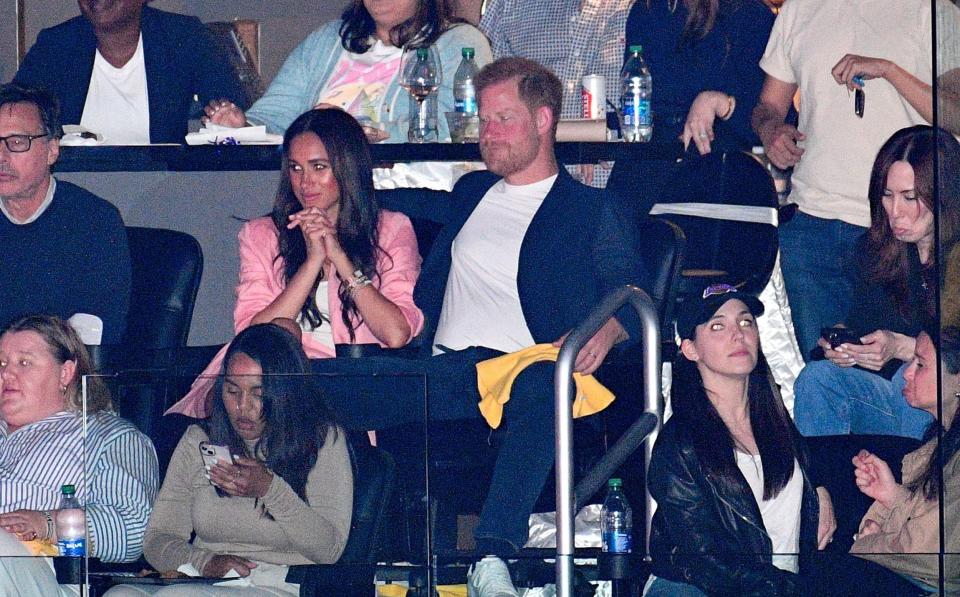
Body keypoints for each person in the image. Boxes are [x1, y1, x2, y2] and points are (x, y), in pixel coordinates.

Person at [310, 57, 648, 557]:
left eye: (503, 119)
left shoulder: (592, 210)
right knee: (301, 380)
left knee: (543, 381)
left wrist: (606, 330)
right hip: (446, 373)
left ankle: (496, 551)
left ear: (543, 120)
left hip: (527, 375)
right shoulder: (472, 193)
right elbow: (406, 201)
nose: (488, 134)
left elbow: (636, 293)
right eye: (484, 121)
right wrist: (335, 186)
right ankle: (296, 550)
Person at [168, 108, 424, 420]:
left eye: (319, 167)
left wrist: (339, 259)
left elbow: (396, 334)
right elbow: (253, 336)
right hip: (269, 385)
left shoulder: (391, 229)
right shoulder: (262, 234)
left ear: (347, 168)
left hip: (349, 386)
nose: (305, 182)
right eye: (296, 168)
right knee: (276, 347)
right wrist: (312, 262)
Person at [751, 0, 960, 359]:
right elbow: (767, 106)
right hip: (811, 224)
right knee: (823, 373)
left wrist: (889, 71)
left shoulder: (933, 9)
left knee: (904, 378)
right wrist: (771, 131)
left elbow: (956, 115)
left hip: (898, 228)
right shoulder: (799, 8)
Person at [105, 323, 352, 596]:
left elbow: (330, 550)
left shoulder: (321, 439)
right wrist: (205, 562)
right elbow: (157, 539)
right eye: (233, 391)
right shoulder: (199, 439)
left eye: (258, 394)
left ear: (285, 394)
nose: (242, 406)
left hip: (278, 582)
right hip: (204, 578)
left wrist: (271, 489)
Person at [645, 284, 835, 597]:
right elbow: (703, 561)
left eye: (746, 322)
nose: (738, 334)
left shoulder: (777, 424)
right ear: (690, 349)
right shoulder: (679, 446)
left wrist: (820, 487)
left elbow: (813, 464)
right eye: (718, 326)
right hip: (699, 587)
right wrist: (789, 589)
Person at [793, 125, 960, 440]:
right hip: (894, 396)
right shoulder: (877, 250)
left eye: (910, 197)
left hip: (942, 402)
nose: (896, 212)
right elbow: (862, 320)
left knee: (914, 382)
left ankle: (922, 486)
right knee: (817, 379)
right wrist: (843, 345)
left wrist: (902, 348)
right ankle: (824, 488)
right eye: (887, 195)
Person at [0, 314, 159, 595]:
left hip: (46, 573)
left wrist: (47, 522)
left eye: (24, 363)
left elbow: (133, 529)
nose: (6, 374)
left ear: (65, 372)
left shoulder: (108, 436)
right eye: (1, 363)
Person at [801, 329, 960, 596]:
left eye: (920, 365)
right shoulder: (938, 443)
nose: (907, 374)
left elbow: (932, 555)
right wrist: (892, 496)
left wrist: (867, 543)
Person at [205, 0, 491, 143]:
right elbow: (277, 116)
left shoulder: (459, 42)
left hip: (412, 196)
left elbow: (460, 130)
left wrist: (353, 132)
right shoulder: (329, 39)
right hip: (324, 199)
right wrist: (242, 126)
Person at [607, 0, 775, 217]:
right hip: (646, 168)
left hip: (716, 177)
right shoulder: (648, 10)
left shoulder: (748, 14)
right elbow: (637, 98)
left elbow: (774, 122)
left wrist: (720, 103)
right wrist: (607, 134)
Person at [0, 83, 131, 343]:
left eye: (17, 142)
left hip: (59, 374)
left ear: (52, 150)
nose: (2, 157)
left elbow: (92, 333)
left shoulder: (95, 222)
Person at [13, 0, 247, 145]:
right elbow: (13, 113)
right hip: (76, 186)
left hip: (161, 188)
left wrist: (225, 121)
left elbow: (231, 107)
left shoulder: (183, 37)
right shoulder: (55, 45)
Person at [479, 0, 632, 188]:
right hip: (528, 179)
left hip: (618, 171)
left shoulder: (642, 7)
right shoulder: (510, 5)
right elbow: (485, 86)